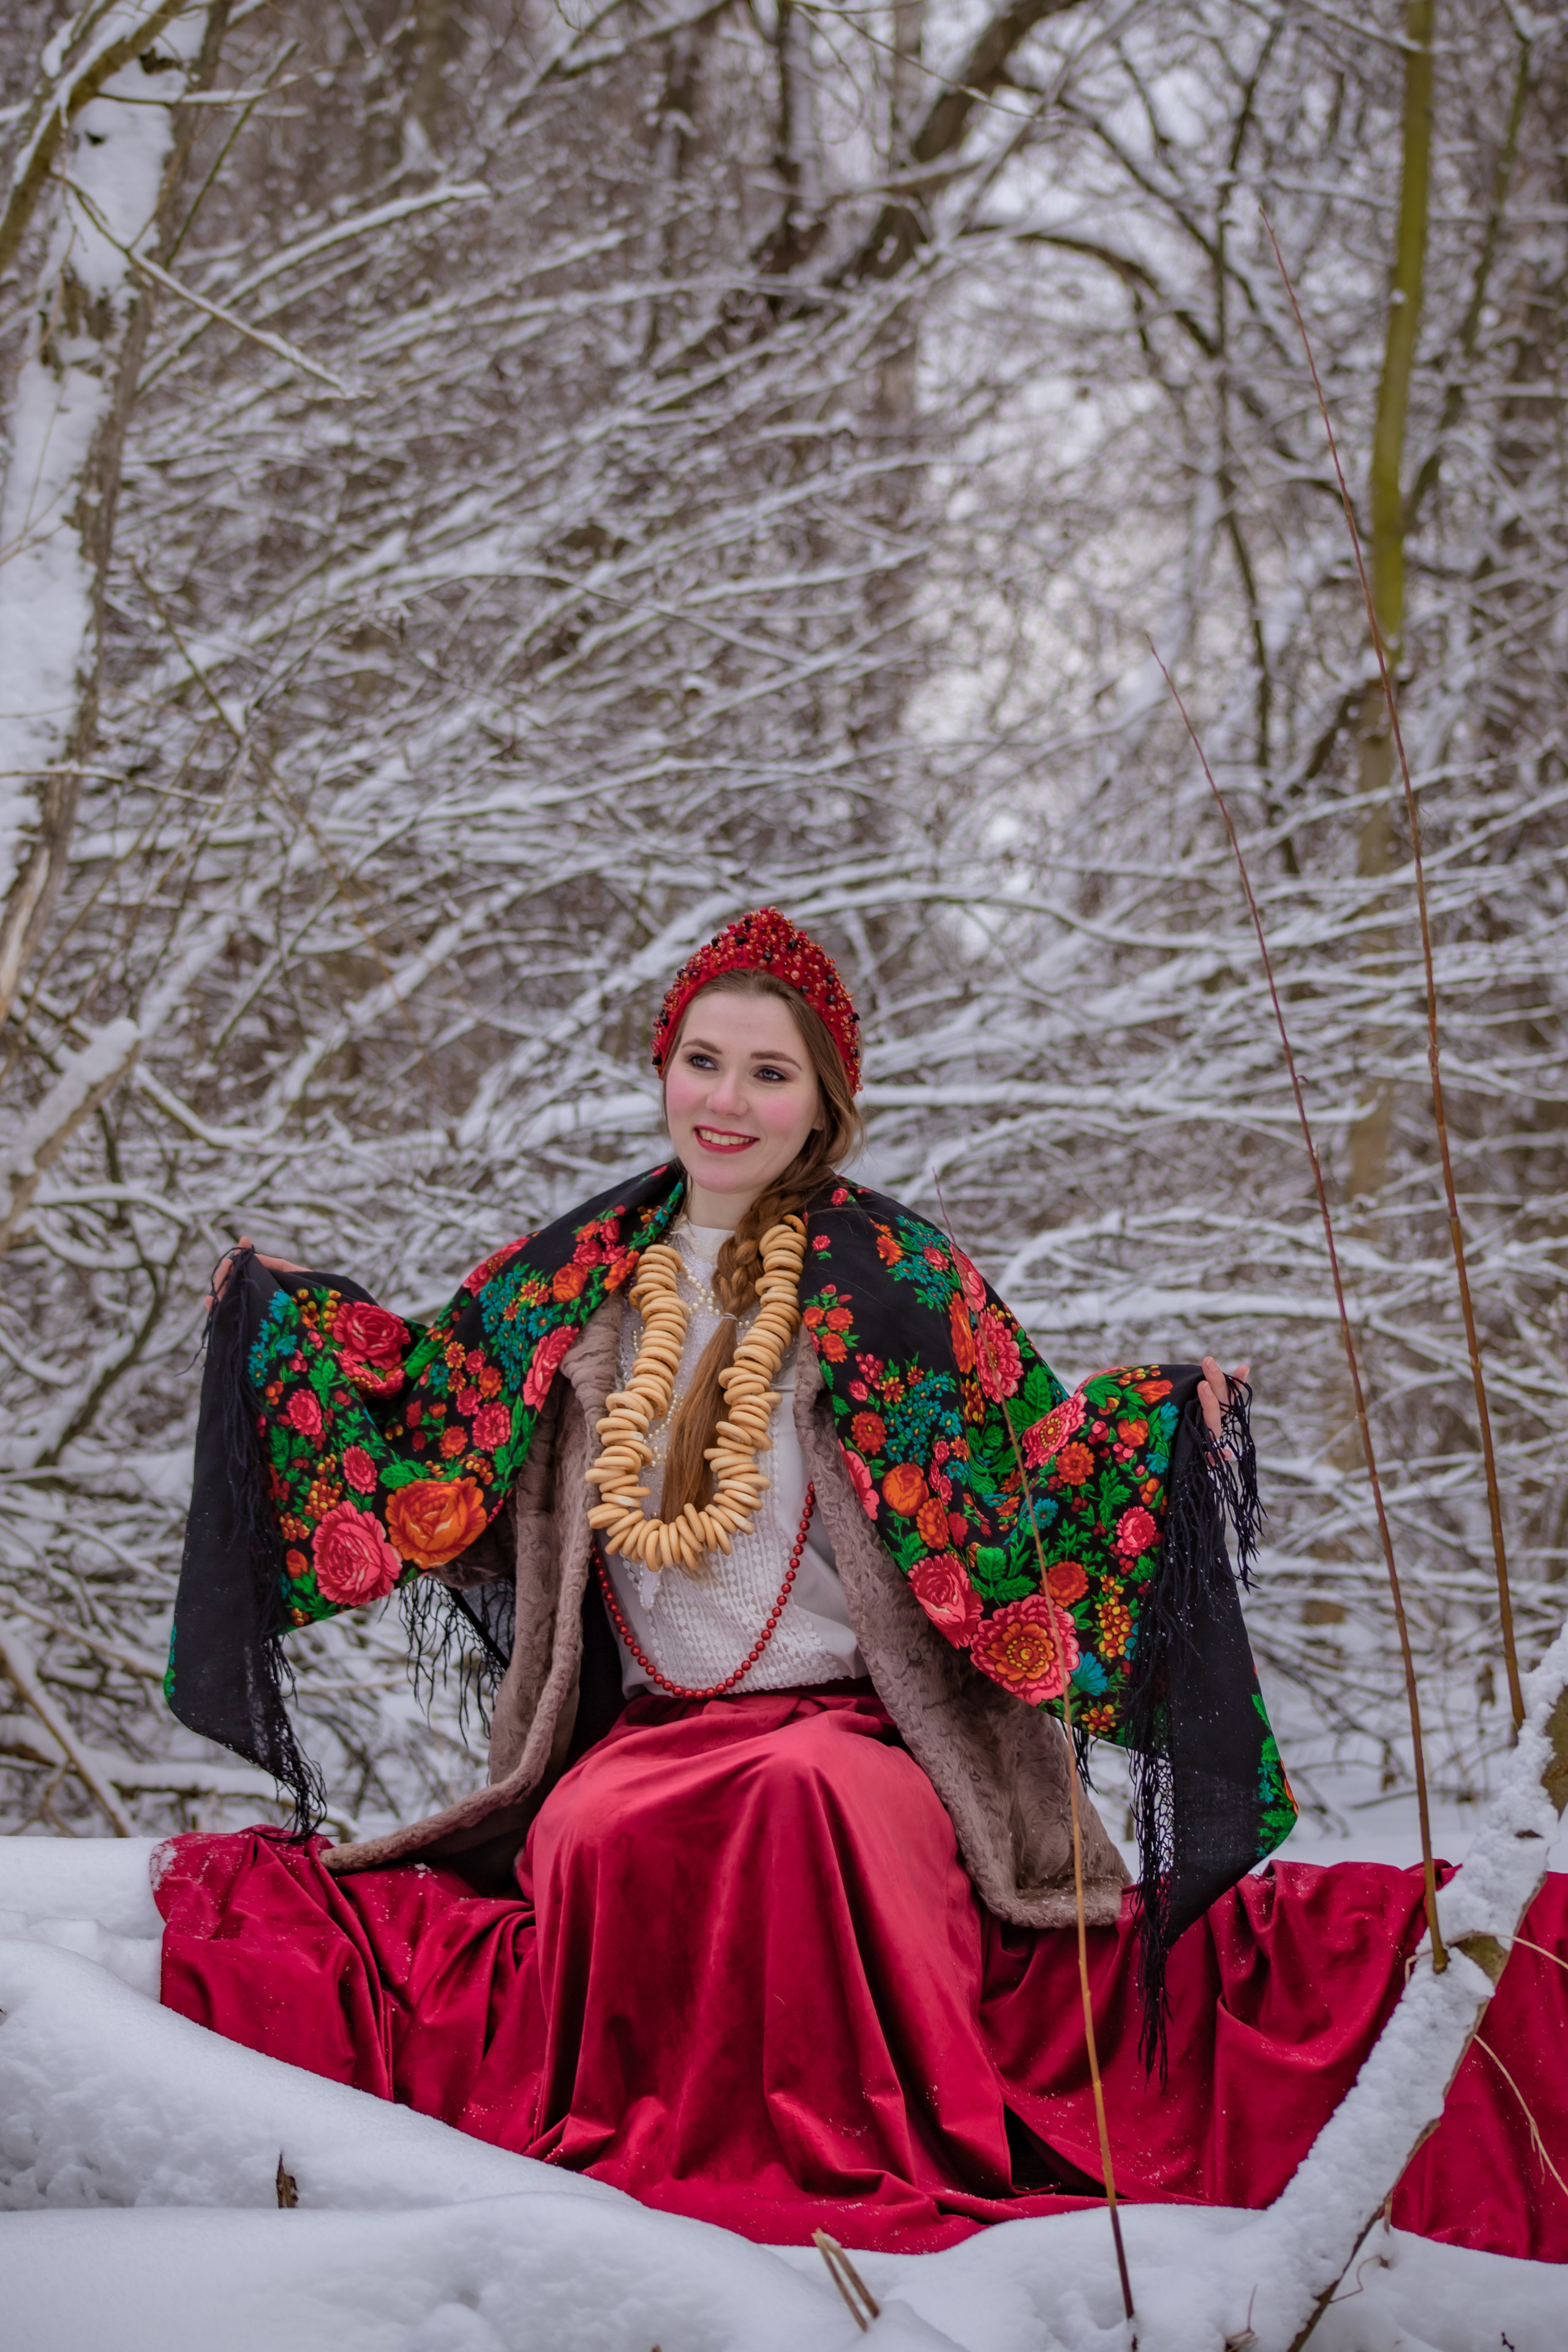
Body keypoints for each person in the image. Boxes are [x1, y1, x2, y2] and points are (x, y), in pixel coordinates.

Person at [156, 908, 1567, 2258]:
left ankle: (835, 2168)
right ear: (664, 1070)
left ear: (819, 1102)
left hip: (863, 1738)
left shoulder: (896, 1281)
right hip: (637, 1740)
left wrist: (1159, 1426)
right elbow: (427, 1433)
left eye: (767, 1073)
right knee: (593, 1838)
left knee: (800, 1803)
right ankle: (656, 2177)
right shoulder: (564, 1279)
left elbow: (1024, 1495)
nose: (726, 1099)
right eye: (702, 1061)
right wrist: (287, 1325)